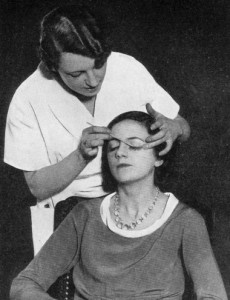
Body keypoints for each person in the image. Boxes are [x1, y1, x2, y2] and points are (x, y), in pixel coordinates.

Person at [4, 4, 190, 254]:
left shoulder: (127, 68)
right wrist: (80, 156)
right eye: (77, 73)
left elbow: (183, 126)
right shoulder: (28, 98)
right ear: (52, 67)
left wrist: (172, 128)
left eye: (99, 64)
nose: (92, 81)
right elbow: (37, 186)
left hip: (138, 201)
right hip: (69, 212)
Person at [10, 111, 227, 300]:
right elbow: (23, 284)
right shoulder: (84, 214)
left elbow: (213, 295)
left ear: (159, 156)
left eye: (133, 145)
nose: (120, 153)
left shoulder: (186, 220)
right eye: (113, 147)